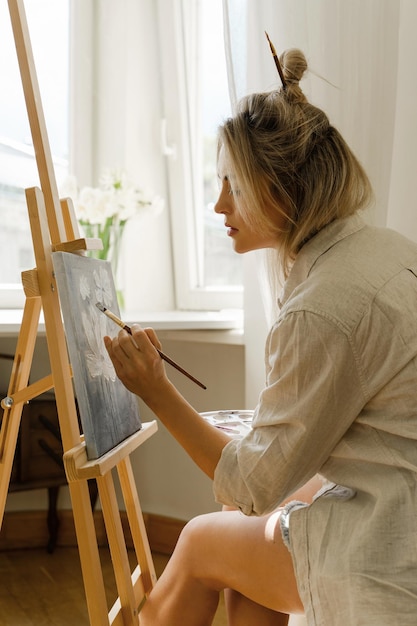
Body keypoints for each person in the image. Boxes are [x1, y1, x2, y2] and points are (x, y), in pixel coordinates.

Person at [104, 48, 417, 626]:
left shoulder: (323, 304)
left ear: (278, 186)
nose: (219, 204)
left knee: (202, 539)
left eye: (232, 184)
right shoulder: (387, 249)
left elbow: (253, 488)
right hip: (397, 508)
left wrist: (155, 389)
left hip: (387, 552)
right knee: (244, 548)